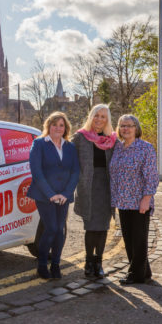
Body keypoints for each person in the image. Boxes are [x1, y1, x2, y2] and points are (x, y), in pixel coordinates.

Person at [28, 112, 79, 279]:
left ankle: (56, 265)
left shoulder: (70, 147)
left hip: (63, 196)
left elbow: (75, 172)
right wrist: (50, 194)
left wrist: (66, 193)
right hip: (44, 196)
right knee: (51, 228)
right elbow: (37, 172)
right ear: (48, 126)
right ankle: (42, 265)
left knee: (60, 231)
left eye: (61, 125)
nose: (58, 128)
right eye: (54, 124)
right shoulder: (39, 144)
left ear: (66, 128)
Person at [109, 114, 159, 285]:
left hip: (139, 202)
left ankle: (135, 275)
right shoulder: (118, 148)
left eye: (129, 126)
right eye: (122, 125)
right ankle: (144, 272)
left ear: (136, 128)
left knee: (139, 239)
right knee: (129, 239)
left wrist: (147, 198)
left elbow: (152, 177)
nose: (125, 129)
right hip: (122, 201)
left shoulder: (145, 148)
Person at [71, 104, 118, 279]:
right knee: (91, 227)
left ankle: (99, 262)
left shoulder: (113, 140)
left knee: (104, 227)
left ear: (107, 120)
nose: (99, 119)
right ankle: (88, 261)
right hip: (87, 187)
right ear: (91, 116)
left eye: (103, 117)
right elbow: (67, 160)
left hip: (106, 188)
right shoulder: (80, 137)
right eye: (96, 115)